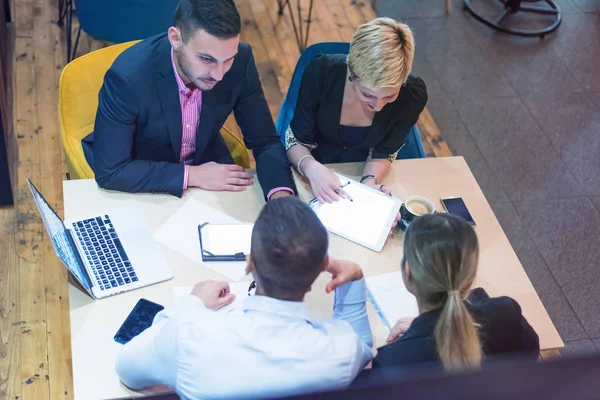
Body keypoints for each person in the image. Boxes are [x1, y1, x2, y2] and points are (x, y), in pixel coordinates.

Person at [115, 197, 373, 399]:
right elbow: (363, 345)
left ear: (249, 262)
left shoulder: (189, 335)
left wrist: (192, 304)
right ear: (323, 267)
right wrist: (355, 278)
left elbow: (127, 369)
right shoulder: (341, 351)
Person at [82, 0, 296, 200]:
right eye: (206, 59)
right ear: (175, 38)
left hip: (207, 164)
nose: (219, 75)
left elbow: (265, 141)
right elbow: (112, 171)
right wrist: (192, 175)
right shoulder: (128, 78)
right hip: (144, 176)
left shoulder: (242, 61)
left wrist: (282, 199)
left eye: (228, 59)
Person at [285, 18, 427, 204]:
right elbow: (296, 140)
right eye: (367, 94)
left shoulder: (412, 95)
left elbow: (384, 152)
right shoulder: (321, 74)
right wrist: (311, 167)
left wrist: (369, 182)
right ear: (350, 72)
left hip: (362, 166)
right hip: (314, 161)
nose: (378, 106)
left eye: (389, 96)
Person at [373, 213, 539, 370]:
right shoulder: (505, 313)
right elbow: (530, 354)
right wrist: (428, 326)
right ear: (470, 275)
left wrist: (423, 328)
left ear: (408, 272)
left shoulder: (392, 361)